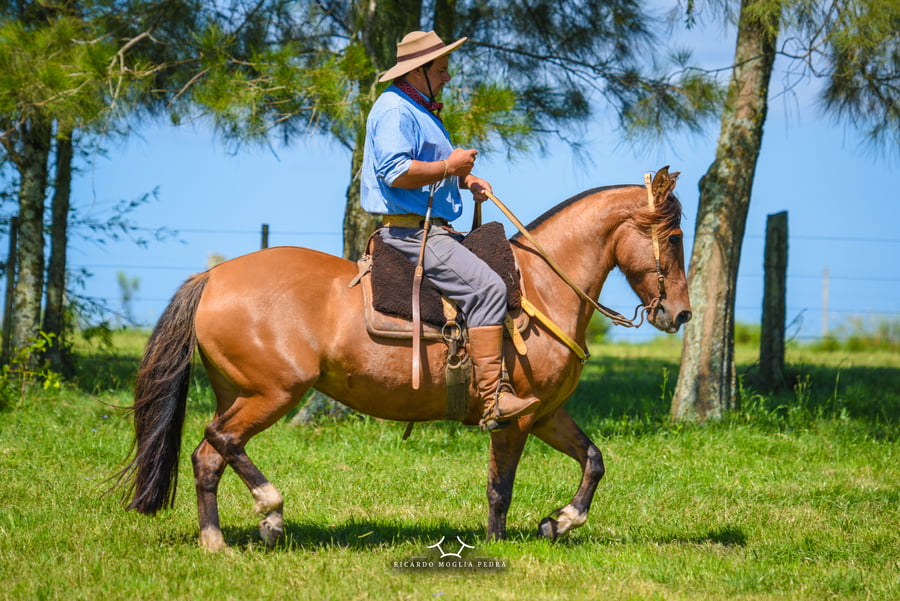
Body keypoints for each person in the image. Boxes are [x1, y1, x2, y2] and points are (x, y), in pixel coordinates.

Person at [361, 30, 540, 430]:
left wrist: (464, 181)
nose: (447, 77)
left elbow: (426, 169)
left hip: (431, 229)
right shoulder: (396, 110)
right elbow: (395, 173)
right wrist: (451, 167)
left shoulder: (419, 109)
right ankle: (493, 399)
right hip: (412, 235)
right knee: (490, 288)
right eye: (441, 69)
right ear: (418, 70)